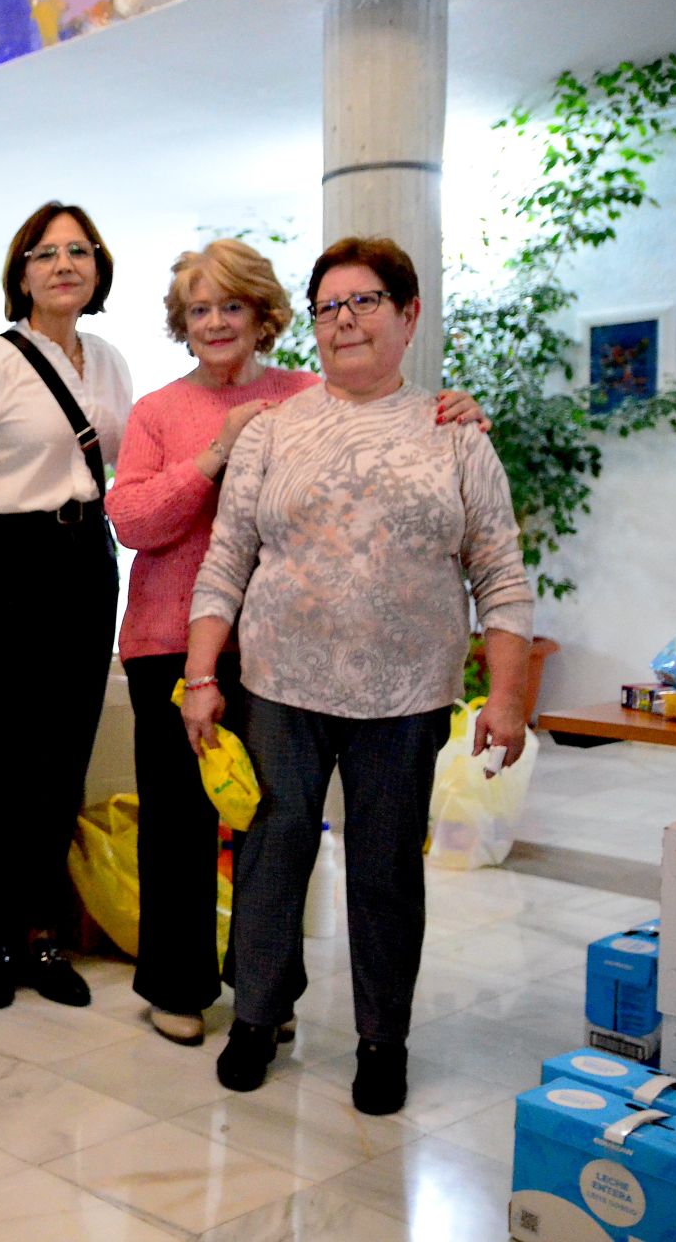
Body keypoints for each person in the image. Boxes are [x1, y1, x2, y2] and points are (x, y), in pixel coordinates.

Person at [180, 236, 532, 1117]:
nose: (344, 322)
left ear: (409, 315)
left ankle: (383, 1039)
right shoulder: (273, 431)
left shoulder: (455, 434)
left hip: (405, 695)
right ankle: (255, 1018)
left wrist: (512, 697)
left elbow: (502, 573)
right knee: (270, 856)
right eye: (329, 306)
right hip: (278, 683)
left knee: (384, 870)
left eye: (365, 301)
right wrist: (199, 673)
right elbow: (227, 559)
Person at [110, 239, 490, 1048]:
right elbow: (134, 521)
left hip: (286, 650)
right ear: (183, 323)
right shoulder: (159, 411)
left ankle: (264, 991)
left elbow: (381, 428)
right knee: (180, 819)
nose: (215, 322)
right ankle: (177, 983)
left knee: (270, 829)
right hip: (173, 640)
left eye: (232, 306)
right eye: (199, 309)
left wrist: (453, 411)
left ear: (265, 317)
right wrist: (220, 453)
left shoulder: (310, 393)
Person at [0, 202, 129, 1010]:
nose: (64, 265)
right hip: (4, 561)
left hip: (87, 558)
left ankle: (46, 932)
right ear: (20, 273)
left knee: (67, 756)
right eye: (46, 253)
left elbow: (127, 457)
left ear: (98, 268)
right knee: (12, 759)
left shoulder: (108, 360)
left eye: (80, 250)